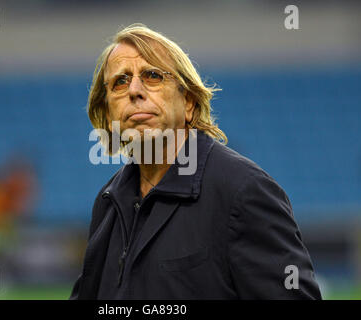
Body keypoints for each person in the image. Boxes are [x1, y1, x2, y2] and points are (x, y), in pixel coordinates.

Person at [70, 23, 322, 299]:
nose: (134, 90)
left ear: (188, 102)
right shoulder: (108, 203)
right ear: (108, 114)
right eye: (120, 81)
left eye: (152, 75)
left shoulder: (242, 192)